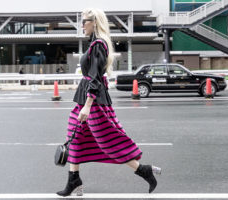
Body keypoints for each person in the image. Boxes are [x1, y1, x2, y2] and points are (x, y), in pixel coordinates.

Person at [56, 8, 161, 197]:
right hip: (86, 96)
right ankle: (74, 180)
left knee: (107, 140)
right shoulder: (94, 44)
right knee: (75, 135)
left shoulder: (99, 44)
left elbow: (95, 77)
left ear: (94, 22)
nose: (82, 25)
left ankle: (143, 170)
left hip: (93, 100)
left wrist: (88, 105)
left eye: (84, 21)